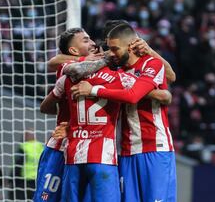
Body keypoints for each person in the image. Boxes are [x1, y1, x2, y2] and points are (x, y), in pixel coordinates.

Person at [71, 24, 176, 202]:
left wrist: (94, 90)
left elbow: (134, 95)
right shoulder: (116, 72)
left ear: (131, 46)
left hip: (155, 148)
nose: (110, 54)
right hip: (125, 152)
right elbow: (60, 63)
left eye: (114, 49)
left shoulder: (152, 63)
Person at [34, 27, 99, 202]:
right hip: (62, 147)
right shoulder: (69, 67)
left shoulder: (104, 67)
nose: (93, 43)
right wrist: (67, 120)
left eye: (90, 39)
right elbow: (54, 61)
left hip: (94, 149)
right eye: (85, 40)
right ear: (73, 50)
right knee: (47, 197)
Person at [12, 130, 44, 200]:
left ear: (26, 136)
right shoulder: (41, 147)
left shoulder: (24, 147)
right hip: (38, 181)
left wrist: (11, 179)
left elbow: (18, 164)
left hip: (24, 181)